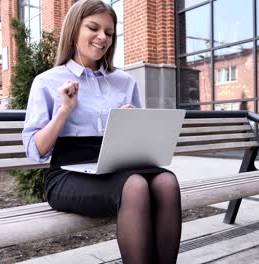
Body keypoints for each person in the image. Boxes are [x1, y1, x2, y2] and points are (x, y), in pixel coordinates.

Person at [21, 1, 182, 263]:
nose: (102, 38)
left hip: (116, 167)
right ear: (74, 29)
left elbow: (140, 140)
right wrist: (64, 110)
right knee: (136, 186)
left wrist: (132, 122)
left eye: (109, 32)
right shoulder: (47, 82)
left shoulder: (125, 81)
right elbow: (35, 150)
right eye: (93, 28)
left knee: (166, 182)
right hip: (67, 174)